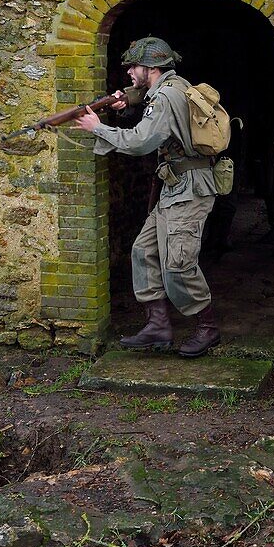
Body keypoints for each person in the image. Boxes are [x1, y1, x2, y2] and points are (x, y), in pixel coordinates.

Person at [74, 37, 220, 358]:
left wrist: (98, 127)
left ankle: (206, 328)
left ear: (151, 68)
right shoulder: (174, 86)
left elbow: (142, 141)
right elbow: (152, 109)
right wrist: (127, 102)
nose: (128, 71)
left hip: (189, 189)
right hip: (176, 186)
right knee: (143, 251)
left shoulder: (165, 98)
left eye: (133, 66)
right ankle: (158, 325)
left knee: (178, 264)